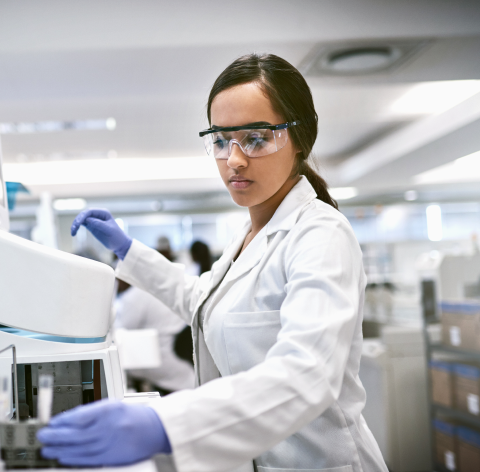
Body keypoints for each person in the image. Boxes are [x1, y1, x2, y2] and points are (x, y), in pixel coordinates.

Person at [38, 53, 387, 472]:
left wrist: (164, 425)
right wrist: (129, 251)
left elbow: (307, 374)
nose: (233, 160)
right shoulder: (246, 236)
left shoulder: (321, 235)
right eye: (221, 140)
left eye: (256, 138)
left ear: (300, 138)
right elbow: (200, 301)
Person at [114, 242, 195, 395]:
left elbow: (122, 331)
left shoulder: (134, 296)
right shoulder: (149, 291)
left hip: (164, 366)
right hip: (183, 367)